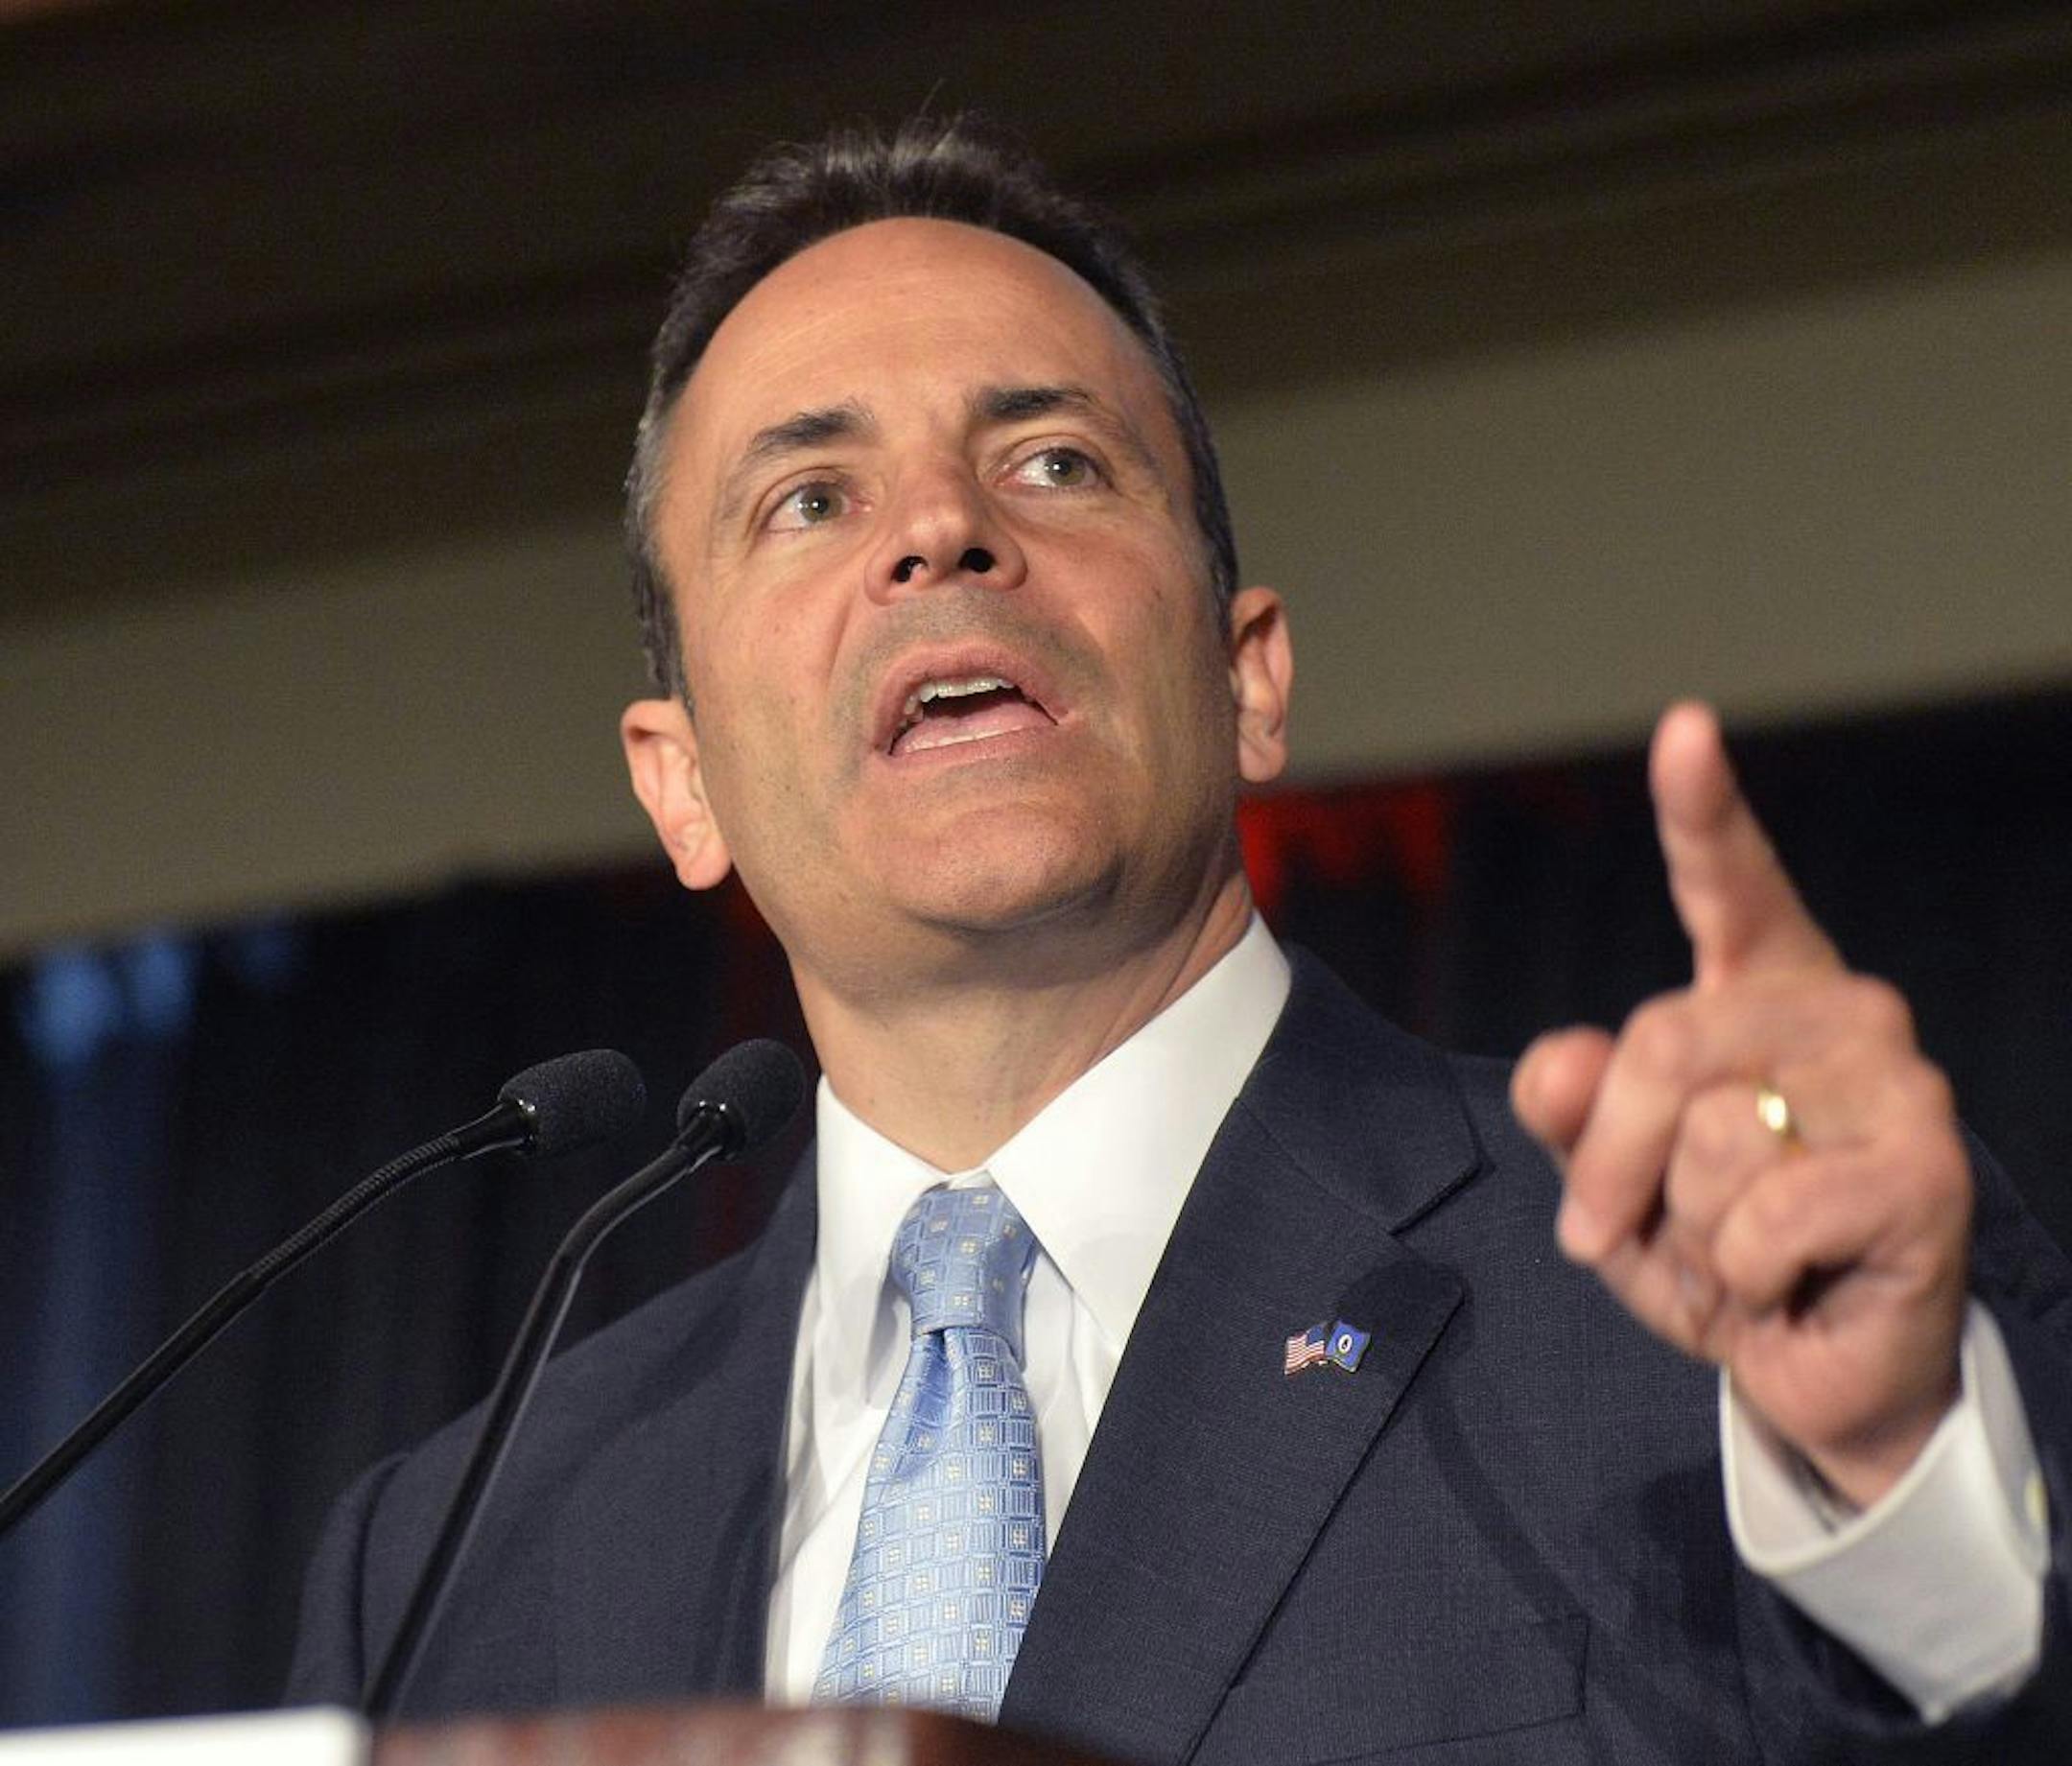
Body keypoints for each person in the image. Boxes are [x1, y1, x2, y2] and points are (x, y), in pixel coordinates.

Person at [288, 117, 2070, 1760]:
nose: (939, 533)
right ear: (682, 789)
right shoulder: (457, 1554)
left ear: (1247, 675)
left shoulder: (1704, 1297)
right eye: (810, 500)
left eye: (1052, 459)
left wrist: (1898, 1487)